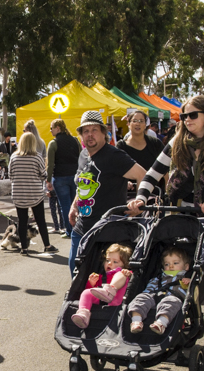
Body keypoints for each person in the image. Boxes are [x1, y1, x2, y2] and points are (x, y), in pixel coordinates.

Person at [129, 95, 204, 358]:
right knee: (177, 273)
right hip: (180, 215)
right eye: (184, 116)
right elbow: (152, 174)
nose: (187, 120)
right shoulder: (177, 141)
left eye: (193, 115)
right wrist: (141, 197)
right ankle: (177, 331)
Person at [71, 111, 146, 275]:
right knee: (76, 275)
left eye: (94, 130)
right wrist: (74, 205)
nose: (90, 135)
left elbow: (142, 175)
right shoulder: (83, 155)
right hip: (81, 228)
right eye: (86, 131)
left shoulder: (114, 155)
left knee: (101, 281)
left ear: (104, 133)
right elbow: (83, 183)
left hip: (107, 232)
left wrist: (140, 202)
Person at [9, 132, 57, 255]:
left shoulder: (14, 157)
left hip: (19, 193)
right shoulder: (37, 157)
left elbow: (11, 174)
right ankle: (47, 245)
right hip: (34, 193)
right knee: (41, 221)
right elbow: (43, 175)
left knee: (22, 221)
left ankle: (24, 248)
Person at [128, 247, 191, 334]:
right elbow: (149, 290)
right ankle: (136, 321)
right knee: (141, 297)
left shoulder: (185, 280)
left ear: (186, 266)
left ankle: (161, 323)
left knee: (171, 301)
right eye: (167, 264)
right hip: (155, 298)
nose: (171, 266)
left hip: (173, 300)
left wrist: (189, 282)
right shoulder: (158, 278)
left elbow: (192, 293)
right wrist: (146, 296)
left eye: (175, 263)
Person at [70, 244, 132, 329]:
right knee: (86, 292)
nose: (109, 263)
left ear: (124, 264)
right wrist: (91, 283)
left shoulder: (124, 273)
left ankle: (109, 291)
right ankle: (83, 314)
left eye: (115, 262)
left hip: (117, 302)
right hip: (101, 302)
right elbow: (92, 293)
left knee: (120, 274)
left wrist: (127, 273)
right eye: (107, 260)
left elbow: (131, 278)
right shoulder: (100, 277)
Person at [48, 118, 82, 237]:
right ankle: (79, 228)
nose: (50, 130)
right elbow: (81, 157)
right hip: (75, 176)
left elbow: (50, 164)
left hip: (60, 176)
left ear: (58, 128)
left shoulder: (53, 143)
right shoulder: (75, 140)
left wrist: (48, 180)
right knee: (76, 203)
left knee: (65, 205)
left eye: (51, 128)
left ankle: (70, 230)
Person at [117, 111, 164, 193]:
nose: (137, 124)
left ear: (145, 124)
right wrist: (125, 182)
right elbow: (117, 170)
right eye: (134, 121)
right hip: (130, 194)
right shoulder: (121, 146)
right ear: (128, 124)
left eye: (141, 121)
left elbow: (165, 169)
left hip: (154, 193)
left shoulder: (155, 143)